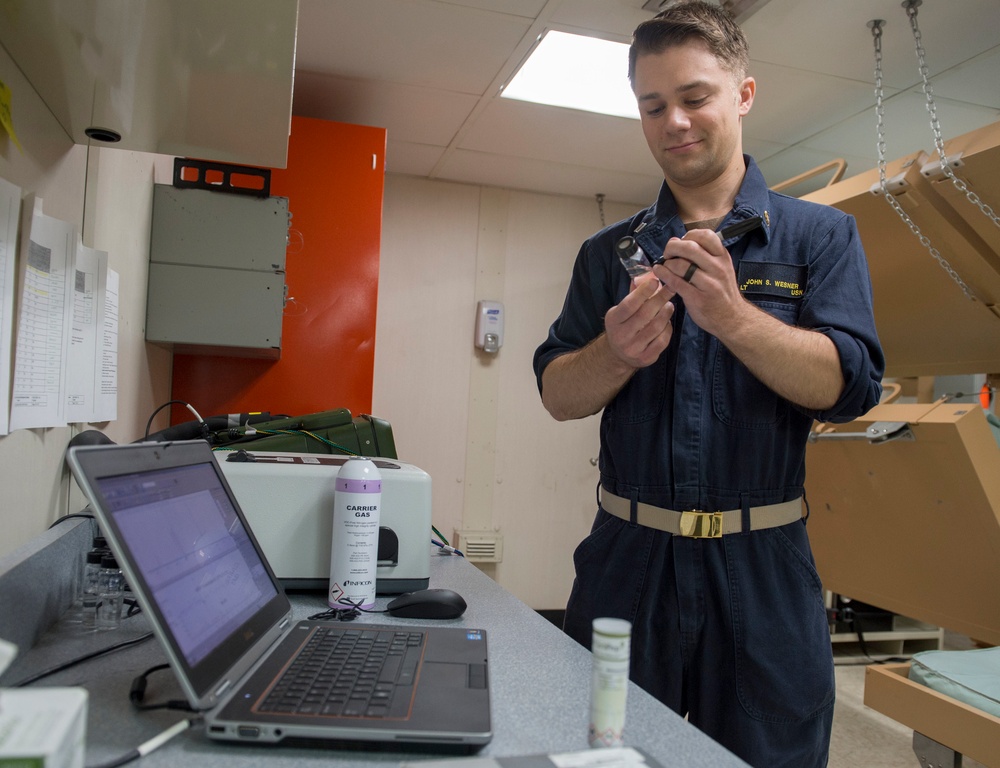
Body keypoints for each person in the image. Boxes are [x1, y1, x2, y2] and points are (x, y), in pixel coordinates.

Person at [532, 3, 884, 767]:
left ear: (744, 94)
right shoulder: (608, 254)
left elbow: (853, 385)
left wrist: (734, 319)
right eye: (653, 106)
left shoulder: (819, 238)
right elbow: (558, 392)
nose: (675, 122)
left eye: (695, 97)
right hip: (629, 560)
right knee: (605, 754)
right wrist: (616, 352)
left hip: (764, 567)